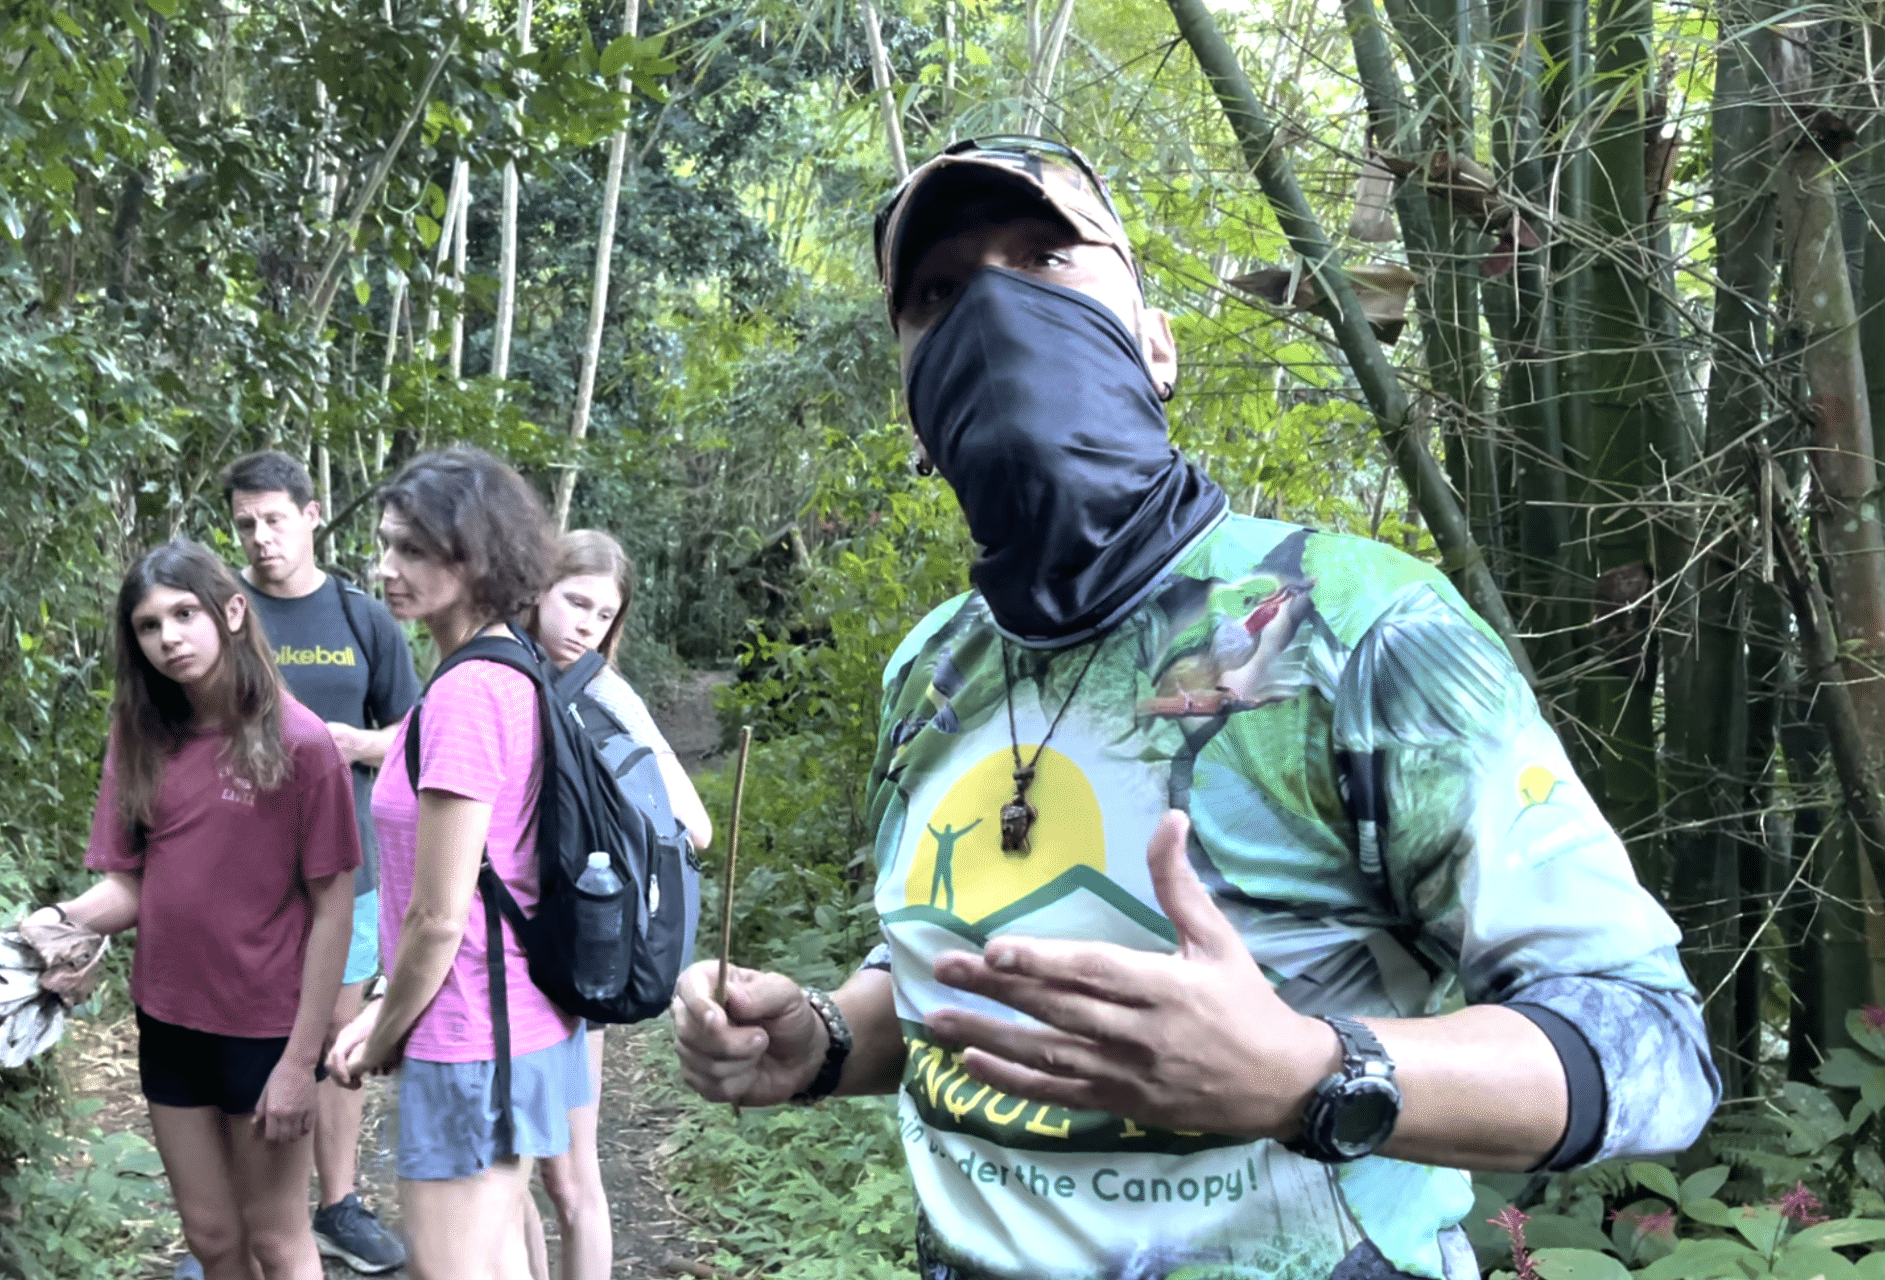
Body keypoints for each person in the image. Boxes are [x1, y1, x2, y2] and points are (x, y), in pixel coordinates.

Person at [670, 137, 1720, 1280]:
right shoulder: (927, 667)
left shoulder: (1358, 624)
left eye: (1046, 258)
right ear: (917, 418)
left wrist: (1308, 1073)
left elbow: (1651, 1048)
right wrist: (820, 1038)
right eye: (940, 292)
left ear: (1155, 345)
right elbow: (955, 972)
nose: (995, 308)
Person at [22, 541, 361, 1280]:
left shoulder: (301, 744)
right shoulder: (141, 736)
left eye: (185, 613)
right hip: (169, 1019)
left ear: (232, 613)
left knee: (277, 1239)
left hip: (265, 1031)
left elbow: (334, 906)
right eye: (149, 625)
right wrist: (50, 925)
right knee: (211, 1238)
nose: (169, 636)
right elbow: (131, 884)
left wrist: (301, 1063)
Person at [328, 446, 587, 1280]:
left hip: (473, 1033)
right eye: (384, 546)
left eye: (411, 549)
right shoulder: (498, 666)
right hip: (498, 1025)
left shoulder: (471, 692)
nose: (387, 569)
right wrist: (380, 1007)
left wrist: (380, 1032)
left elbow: (439, 918)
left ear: (474, 557)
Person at [218, 449, 419, 1276]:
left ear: (310, 516)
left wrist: (353, 744)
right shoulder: (227, 615)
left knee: (338, 1041)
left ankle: (338, 1204)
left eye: (274, 519)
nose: (262, 538)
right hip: (243, 874)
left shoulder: (362, 617)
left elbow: (418, 735)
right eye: (245, 525)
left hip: (351, 869)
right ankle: (245, 1219)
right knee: (242, 1036)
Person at [516, 530, 715, 1280]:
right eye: (574, 601)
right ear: (537, 588)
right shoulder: (502, 672)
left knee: (569, 1176)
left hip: (581, 941)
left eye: (602, 615)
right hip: (511, 945)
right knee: (513, 1178)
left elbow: (693, 825)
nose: (584, 625)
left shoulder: (605, 692)